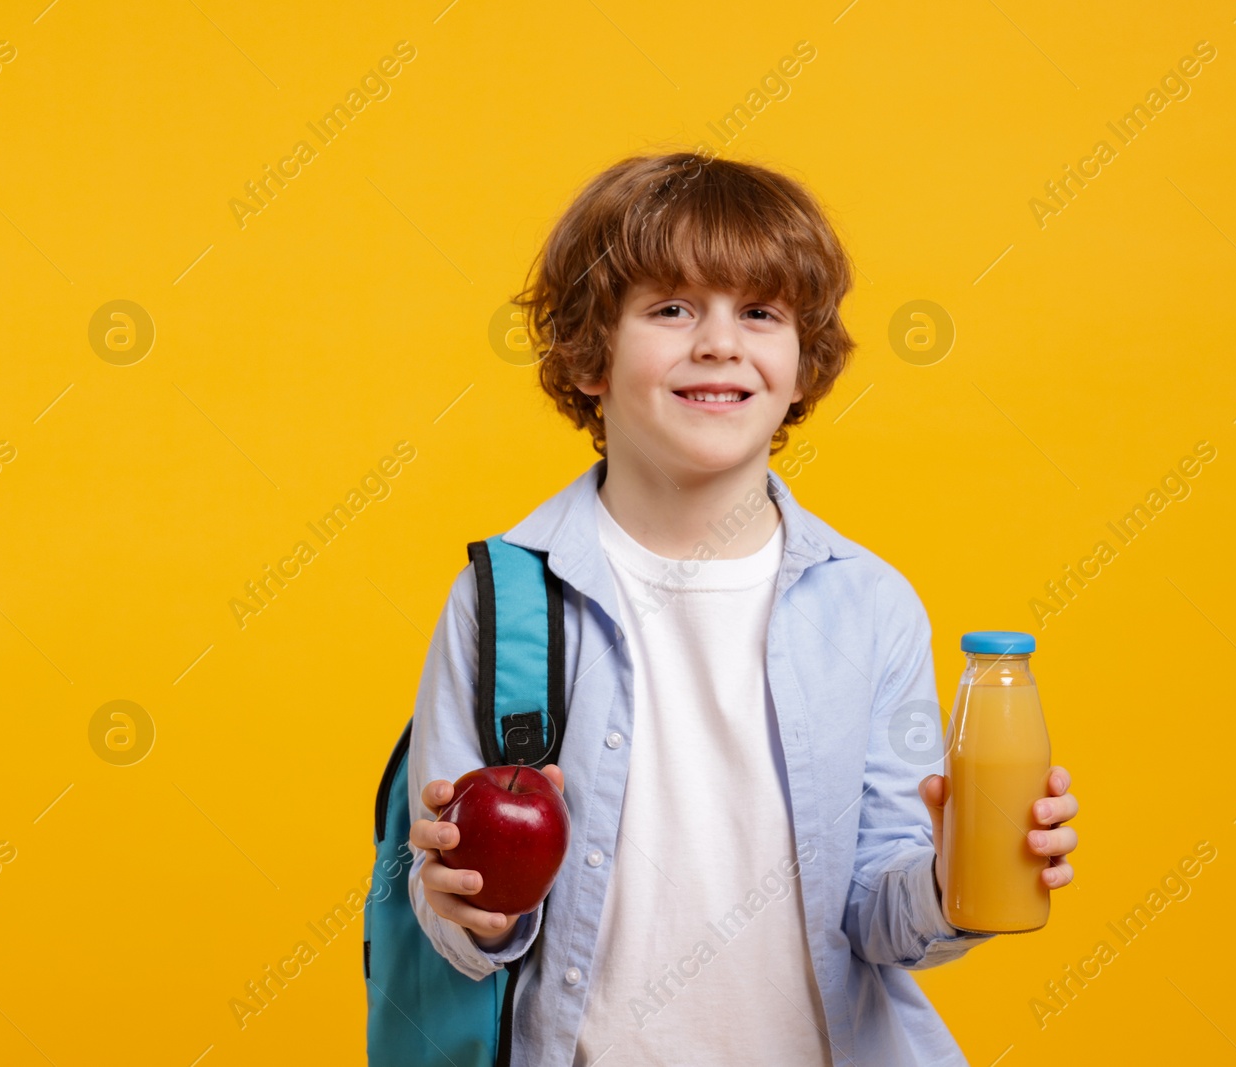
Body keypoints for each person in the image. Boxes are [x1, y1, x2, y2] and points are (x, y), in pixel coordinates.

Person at [405, 151, 1080, 1066]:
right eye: (672, 307)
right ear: (590, 356)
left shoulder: (869, 604)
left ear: (803, 367)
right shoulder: (508, 599)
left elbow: (882, 918)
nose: (720, 343)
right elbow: (457, 918)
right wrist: (470, 900)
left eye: (759, 313)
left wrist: (962, 871)